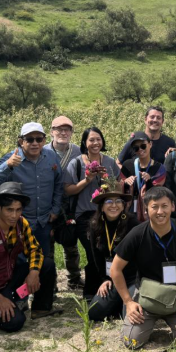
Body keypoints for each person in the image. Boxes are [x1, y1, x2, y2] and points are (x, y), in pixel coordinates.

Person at [110, 187, 176, 350]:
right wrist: (128, 302)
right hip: (147, 300)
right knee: (131, 341)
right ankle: (148, 323)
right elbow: (115, 270)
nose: (160, 211)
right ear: (146, 209)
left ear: (173, 207)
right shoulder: (137, 234)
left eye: (165, 206)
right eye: (154, 207)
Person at [0, 182, 57, 332]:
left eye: (18, 210)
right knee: (15, 323)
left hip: (9, 278)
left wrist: (33, 273)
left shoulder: (21, 223)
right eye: (9, 210)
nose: (14, 215)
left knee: (46, 264)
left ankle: (40, 309)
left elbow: (35, 250)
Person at [0, 122, 64, 299]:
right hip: (18, 223)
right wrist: (8, 166)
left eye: (39, 139)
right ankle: (18, 298)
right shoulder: (11, 158)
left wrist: (55, 208)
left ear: (44, 140)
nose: (35, 143)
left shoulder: (51, 157)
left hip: (44, 220)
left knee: (42, 261)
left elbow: (59, 184)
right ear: (21, 141)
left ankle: (41, 300)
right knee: (18, 263)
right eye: (30, 139)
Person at [63, 127, 122, 299]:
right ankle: (91, 292)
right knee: (92, 251)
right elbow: (68, 190)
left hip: (108, 214)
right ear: (84, 143)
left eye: (98, 139)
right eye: (91, 140)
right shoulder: (76, 163)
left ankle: (109, 288)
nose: (95, 143)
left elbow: (118, 188)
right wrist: (87, 180)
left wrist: (106, 179)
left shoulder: (109, 162)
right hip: (84, 215)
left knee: (107, 250)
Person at [85, 187, 138, 322]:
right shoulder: (95, 225)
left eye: (118, 201)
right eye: (109, 201)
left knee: (128, 315)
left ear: (123, 205)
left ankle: (124, 301)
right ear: (102, 207)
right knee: (94, 312)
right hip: (112, 278)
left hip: (131, 277)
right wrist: (104, 279)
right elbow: (96, 257)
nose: (114, 205)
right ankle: (116, 302)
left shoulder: (132, 223)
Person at [47, 115, 83, 289]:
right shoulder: (43, 150)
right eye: (58, 129)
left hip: (70, 204)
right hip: (47, 203)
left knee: (70, 243)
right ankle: (51, 282)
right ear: (51, 132)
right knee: (48, 245)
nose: (63, 132)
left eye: (67, 129)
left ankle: (74, 278)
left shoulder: (77, 151)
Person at [121, 131, 167, 222]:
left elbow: (159, 193)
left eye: (143, 146)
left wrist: (149, 182)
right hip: (129, 212)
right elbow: (119, 188)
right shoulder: (127, 165)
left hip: (151, 212)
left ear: (150, 144)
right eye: (136, 148)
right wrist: (125, 183)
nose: (140, 150)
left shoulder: (159, 168)